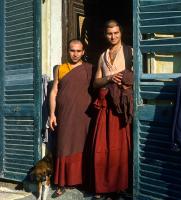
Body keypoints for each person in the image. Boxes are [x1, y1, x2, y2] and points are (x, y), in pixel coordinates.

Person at [86, 20, 133, 199]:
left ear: (121, 33)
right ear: (105, 35)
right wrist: (110, 78)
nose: (113, 37)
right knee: (101, 146)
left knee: (120, 147)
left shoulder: (130, 52)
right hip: (105, 106)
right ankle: (102, 187)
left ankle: (120, 187)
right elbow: (96, 82)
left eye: (116, 33)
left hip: (121, 106)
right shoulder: (103, 55)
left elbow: (138, 75)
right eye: (109, 34)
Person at [49, 39, 93, 198]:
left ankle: (84, 180)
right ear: (68, 51)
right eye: (72, 50)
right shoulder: (60, 69)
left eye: (78, 51)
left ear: (83, 52)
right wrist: (52, 113)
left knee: (83, 144)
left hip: (83, 114)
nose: (75, 54)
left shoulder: (89, 69)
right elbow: (54, 91)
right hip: (64, 113)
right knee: (63, 145)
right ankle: (62, 182)